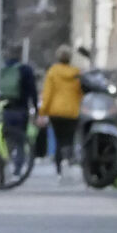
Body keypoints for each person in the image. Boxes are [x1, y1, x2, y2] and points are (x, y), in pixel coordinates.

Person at [39, 47, 83, 175]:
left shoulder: (53, 72)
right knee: (69, 139)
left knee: (58, 140)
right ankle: (68, 163)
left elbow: (48, 94)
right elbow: (81, 92)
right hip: (72, 111)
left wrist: (42, 112)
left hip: (56, 112)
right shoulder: (76, 73)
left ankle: (59, 170)